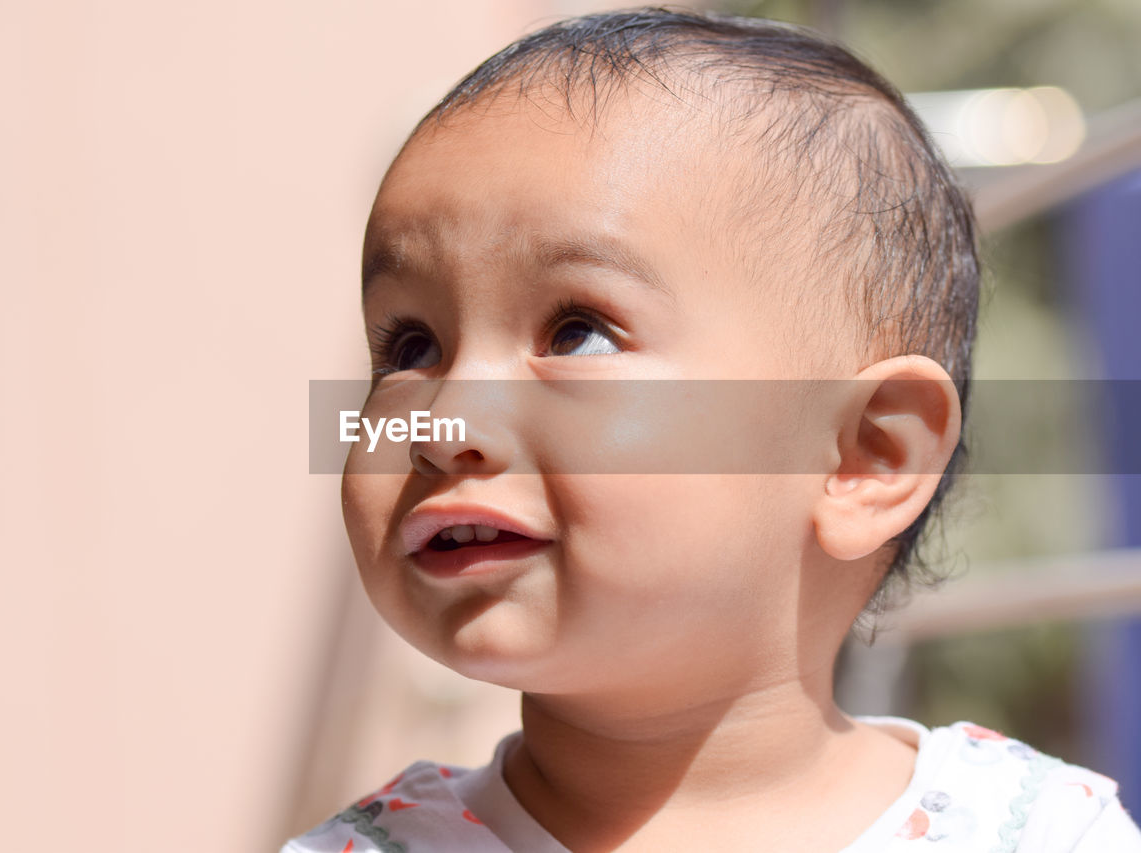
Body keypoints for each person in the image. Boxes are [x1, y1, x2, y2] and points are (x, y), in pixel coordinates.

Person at [288, 8, 1141, 851]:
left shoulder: (1040, 832)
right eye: (411, 346)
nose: (444, 421)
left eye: (577, 329)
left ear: (864, 455)